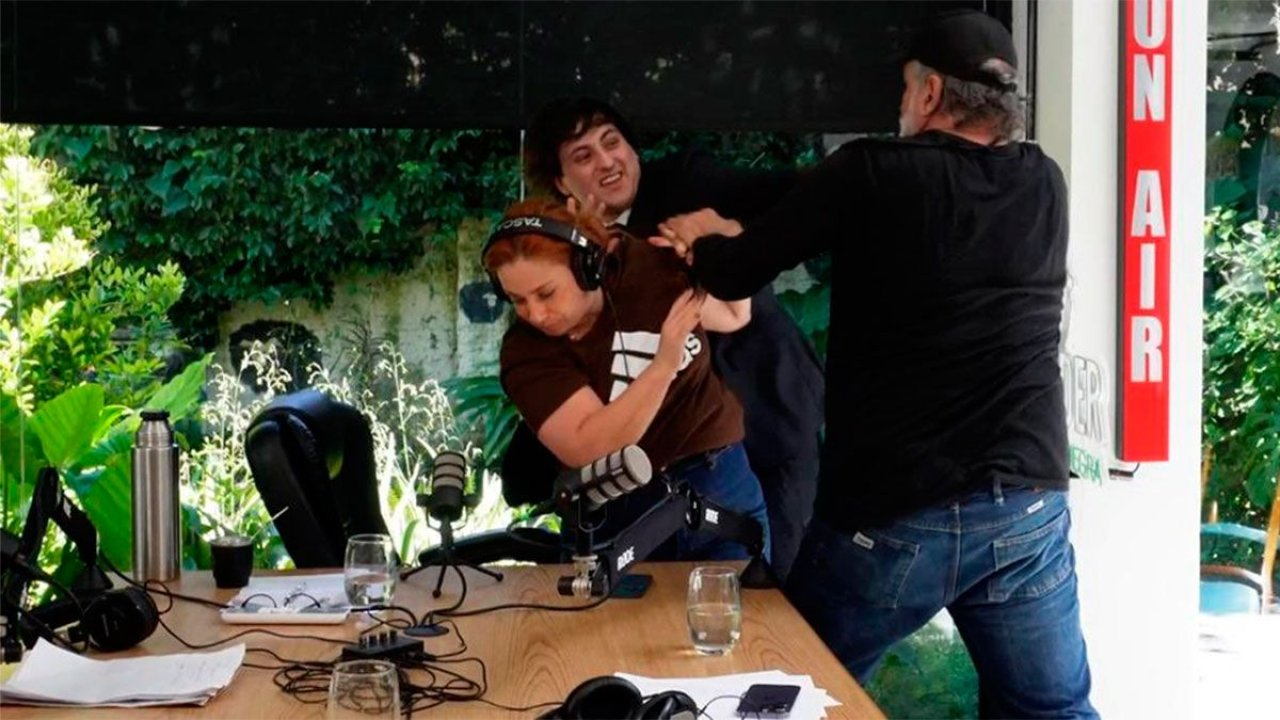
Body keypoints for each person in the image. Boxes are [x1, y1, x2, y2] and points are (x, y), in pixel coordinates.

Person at [650, 10, 1096, 719]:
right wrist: (728, 203)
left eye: (905, 89)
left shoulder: (872, 174)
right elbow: (810, 189)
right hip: (1025, 505)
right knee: (1052, 711)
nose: (900, 105)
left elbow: (735, 273)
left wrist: (702, 238)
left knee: (777, 698)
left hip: (893, 514)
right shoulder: (1043, 180)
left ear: (929, 93)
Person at [522, 97, 824, 582]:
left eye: (612, 142)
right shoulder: (567, 247)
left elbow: (779, 193)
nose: (606, 162)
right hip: (666, 449)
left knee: (773, 581)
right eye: (583, 155)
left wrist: (727, 234)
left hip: (764, 408)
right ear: (561, 182)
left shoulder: (686, 181)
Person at [484, 197, 770, 562]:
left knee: (744, 601)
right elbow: (590, 447)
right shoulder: (525, 352)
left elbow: (732, 313)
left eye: (546, 293)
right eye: (517, 300)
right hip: (617, 511)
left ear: (587, 266)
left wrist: (718, 236)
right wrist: (663, 366)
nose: (536, 314)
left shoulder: (647, 266)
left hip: (720, 482)